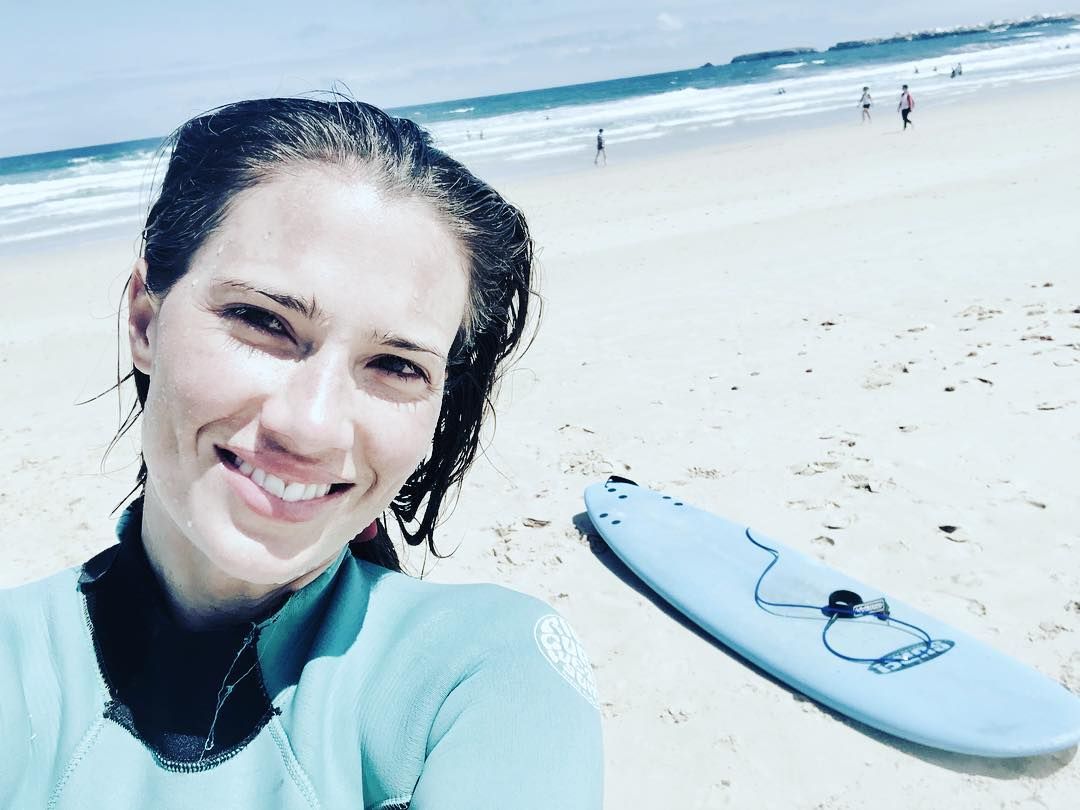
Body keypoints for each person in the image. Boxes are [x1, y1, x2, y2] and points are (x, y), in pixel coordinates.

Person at [0, 97, 603, 809]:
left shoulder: (480, 675)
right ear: (144, 320)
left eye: (396, 365)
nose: (312, 428)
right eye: (262, 321)